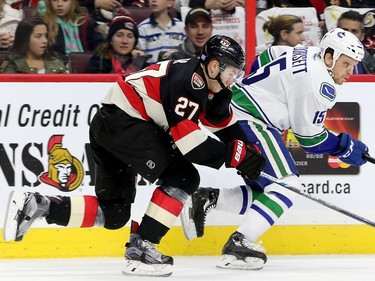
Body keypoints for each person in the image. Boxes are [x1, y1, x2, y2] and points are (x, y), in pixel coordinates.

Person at [3, 35, 266, 277]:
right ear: (214, 67)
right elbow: (191, 145)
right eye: (232, 72)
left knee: (115, 213)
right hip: (126, 123)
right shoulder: (189, 82)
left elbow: (223, 124)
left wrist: (245, 150)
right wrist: (236, 156)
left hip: (111, 124)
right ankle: (142, 248)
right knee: (183, 176)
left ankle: (40, 205)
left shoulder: (211, 86)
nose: (234, 78)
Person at [181, 28, 369, 270]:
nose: (350, 72)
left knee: (267, 189)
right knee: (288, 186)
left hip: (235, 109)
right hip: (250, 120)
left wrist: (263, 92)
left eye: (353, 65)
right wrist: (345, 147)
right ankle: (239, 245)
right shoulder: (320, 84)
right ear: (330, 57)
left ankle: (207, 198)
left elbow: (267, 56)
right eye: (346, 64)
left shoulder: (308, 52)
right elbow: (309, 139)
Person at [39, 0, 105, 65]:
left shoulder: (86, 23)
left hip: (88, 65)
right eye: (55, 0)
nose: (59, 4)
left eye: (65, 0)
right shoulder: (44, 24)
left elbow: (100, 46)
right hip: (58, 65)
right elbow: (47, 52)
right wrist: (66, 62)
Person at [0, 16, 66, 73]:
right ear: (25, 38)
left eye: (45, 36)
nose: (45, 41)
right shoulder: (12, 65)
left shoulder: (55, 62)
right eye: (38, 36)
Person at [336, 10, 373, 74]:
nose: (349, 35)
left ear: (362, 36)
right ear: (336, 32)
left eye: (354, 31)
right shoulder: (323, 58)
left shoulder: (372, 59)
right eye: (345, 30)